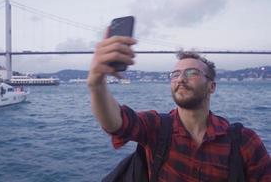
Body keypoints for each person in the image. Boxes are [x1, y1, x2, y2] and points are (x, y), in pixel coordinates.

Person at [87, 32, 271, 181]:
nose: (181, 79)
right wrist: (96, 83)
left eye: (192, 73)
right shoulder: (156, 127)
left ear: (211, 86)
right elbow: (117, 123)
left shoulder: (244, 142)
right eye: (175, 74)